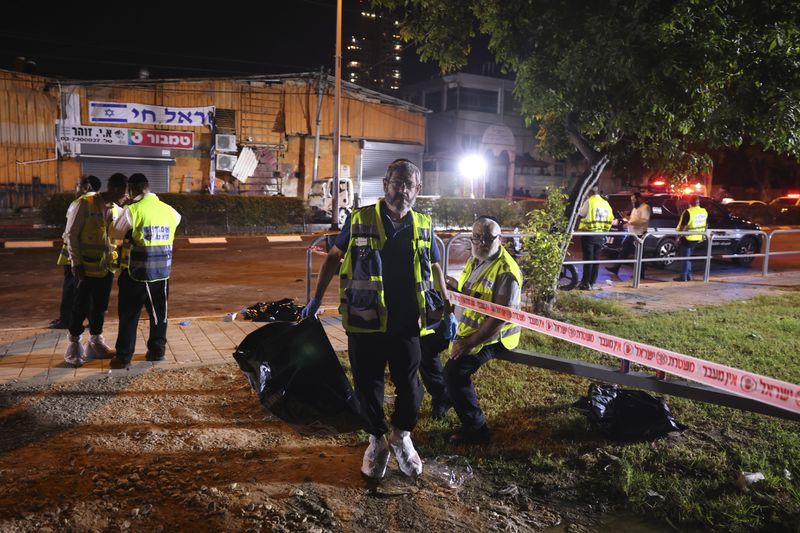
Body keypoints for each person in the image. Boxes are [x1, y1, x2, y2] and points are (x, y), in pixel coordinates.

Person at [300, 159, 455, 479]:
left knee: (411, 388)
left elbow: (436, 268)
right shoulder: (360, 219)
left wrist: (446, 309)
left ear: (418, 190)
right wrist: (316, 298)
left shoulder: (424, 224)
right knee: (368, 387)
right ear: (386, 184)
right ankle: (376, 441)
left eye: (409, 185)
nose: (402, 190)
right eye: (397, 183)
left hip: (409, 322)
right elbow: (333, 256)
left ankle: (401, 437)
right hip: (365, 321)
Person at [444, 217, 522, 444]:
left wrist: (470, 343)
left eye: (488, 238)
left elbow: (500, 318)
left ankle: (476, 429)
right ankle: (444, 398)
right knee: (425, 343)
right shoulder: (476, 259)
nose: (482, 242)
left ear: (500, 239)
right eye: (477, 237)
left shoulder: (506, 271)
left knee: (455, 372)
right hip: (468, 329)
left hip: (493, 337)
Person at [109, 173, 182, 369]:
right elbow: (177, 221)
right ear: (148, 188)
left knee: (129, 316)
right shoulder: (170, 211)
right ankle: (157, 351)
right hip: (162, 275)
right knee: (159, 315)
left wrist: (122, 209)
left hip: (137, 275)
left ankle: (124, 357)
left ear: (132, 190)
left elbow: (114, 232)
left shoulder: (133, 210)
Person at [63, 173, 128, 366]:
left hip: (106, 268)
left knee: (100, 307)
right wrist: (75, 263)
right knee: (80, 307)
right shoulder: (85, 203)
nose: (127, 195)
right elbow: (71, 234)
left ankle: (96, 343)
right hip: (84, 267)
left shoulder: (117, 209)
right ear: (116, 189)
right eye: (125, 191)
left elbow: (117, 238)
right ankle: (74, 347)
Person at [51, 175, 102, 329]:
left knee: (71, 289)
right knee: (90, 291)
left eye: (78, 184)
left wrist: (74, 260)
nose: (75, 187)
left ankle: (66, 319)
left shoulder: (79, 203)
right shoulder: (103, 203)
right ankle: (92, 320)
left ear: (86, 187)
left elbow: (70, 233)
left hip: (75, 256)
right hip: (96, 258)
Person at [607, 192, 650, 282]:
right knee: (624, 251)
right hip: (632, 233)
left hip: (639, 234)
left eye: (634, 200)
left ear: (638, 198)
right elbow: (632, 219)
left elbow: (643, 220)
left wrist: (630, 223)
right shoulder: (635, 208)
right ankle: (616, 268)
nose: (632, 202)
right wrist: (626, 217)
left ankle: (640, 274)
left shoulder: (645, 207)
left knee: (639, 254)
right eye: (632, 201)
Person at [577, 186, 613, 290]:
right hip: (601, 234)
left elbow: (581, 213)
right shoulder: (605, 203)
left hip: (589, 233)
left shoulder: (590, 201)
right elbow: (611, 218)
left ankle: (585, 282)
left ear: (589, 192)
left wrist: (581, 205)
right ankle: (592, 282)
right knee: (596, 259)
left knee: (588, 259)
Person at [674, 195, 708, 282]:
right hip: (697, 237)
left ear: (690, 203)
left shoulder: (689, 212)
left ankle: (683, 276)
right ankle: (689, 275)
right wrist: (703, 235)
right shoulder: (704, 211)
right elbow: (706, 225)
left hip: (688, 238)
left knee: (685, 258)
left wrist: (678, 237)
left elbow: (682, 226)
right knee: (688, 257)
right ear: (698, 202)